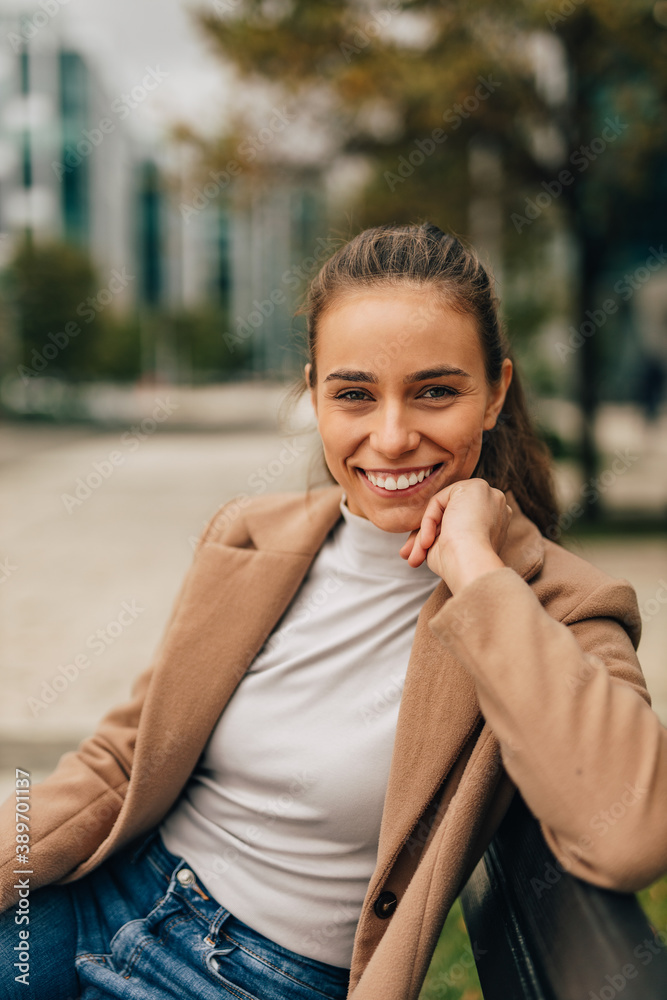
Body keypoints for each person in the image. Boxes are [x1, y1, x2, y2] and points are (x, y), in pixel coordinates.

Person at [1, 222, 666, 1000]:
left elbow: (629, 832)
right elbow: (123, 757)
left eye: (435, 392)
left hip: (253, 977)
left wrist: (480, 574)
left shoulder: (553, 605)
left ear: (495, 395)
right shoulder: (251, 536)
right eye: (353, 394)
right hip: (94, 904)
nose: (391, 437)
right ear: (313, 395)